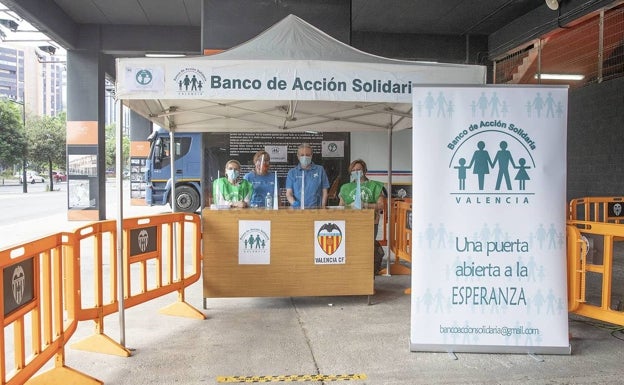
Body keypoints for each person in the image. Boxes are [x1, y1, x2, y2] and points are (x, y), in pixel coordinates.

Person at [338, 159, 386, 274]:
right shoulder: (345, 187)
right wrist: (349, 206)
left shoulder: (375, 185)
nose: (356, 172)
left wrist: (365, 205)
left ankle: (368, 272)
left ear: (364, 170)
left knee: (367, 247)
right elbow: (340, 208)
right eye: (353, 170)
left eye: (359, 169)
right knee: (352, 247)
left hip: (370, 222)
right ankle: (353, 271)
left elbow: (381, 205)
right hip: (351, 223)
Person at [285, 143, 329, 209]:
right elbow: (289, 193)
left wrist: (322, 207)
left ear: (311, 155)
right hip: (298, 210)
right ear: (298, 156)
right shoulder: (292, 172)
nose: (305, 157)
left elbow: (324, 192)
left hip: (316, 210)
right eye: (302, 155)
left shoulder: (320, 170)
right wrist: (294, 203)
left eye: (307, 155)